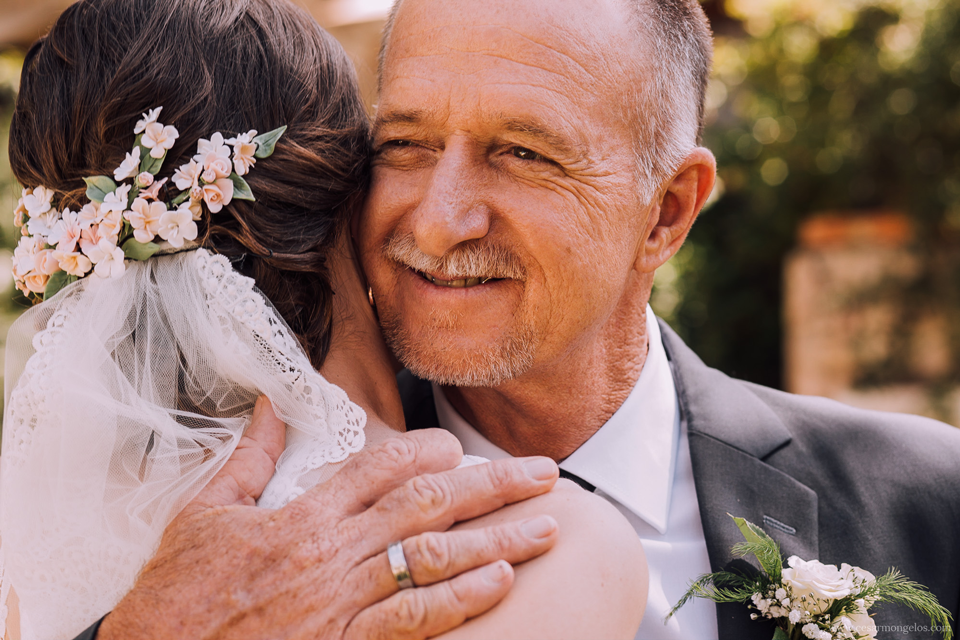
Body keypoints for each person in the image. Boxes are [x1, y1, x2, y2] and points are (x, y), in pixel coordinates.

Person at [58, 0, 960, 638]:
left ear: (668, 212)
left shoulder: (925, 499)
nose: (443, 219)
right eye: (403, 144)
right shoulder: (213, 522)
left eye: (522, 153)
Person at [1, 1, 647, 639]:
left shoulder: (43, 519)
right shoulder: (539, 549)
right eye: (405, 145)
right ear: (353, 178)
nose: (440, 217)